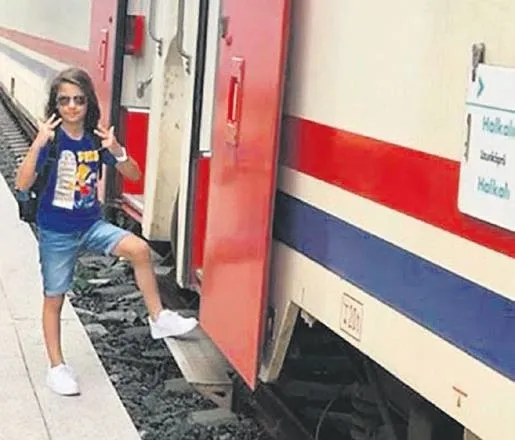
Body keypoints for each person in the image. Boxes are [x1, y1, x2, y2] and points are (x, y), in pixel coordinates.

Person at [15, 67, 198, 397]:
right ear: (56, 105)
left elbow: (134, 175)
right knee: (54, 297)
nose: (72, 107)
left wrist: (116, 150)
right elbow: (23, 182)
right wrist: (38, 143)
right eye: (64, 101)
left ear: (88, 103)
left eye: (79, 100)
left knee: (139, 250)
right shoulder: (51, 140)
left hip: (91, 225)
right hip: (56, 232)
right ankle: (56, 367)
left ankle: (158, 318)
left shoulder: (96, 140)